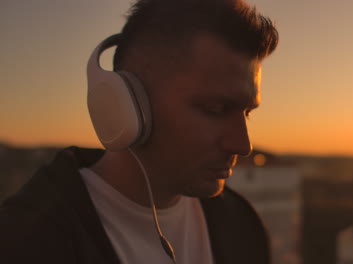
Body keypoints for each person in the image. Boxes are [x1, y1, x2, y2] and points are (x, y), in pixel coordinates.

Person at [0, 0, 278, 263]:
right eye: (215, 108)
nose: (243, 145)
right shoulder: (27, 240)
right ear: (129, 103)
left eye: (247, 113)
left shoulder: (241, 223)